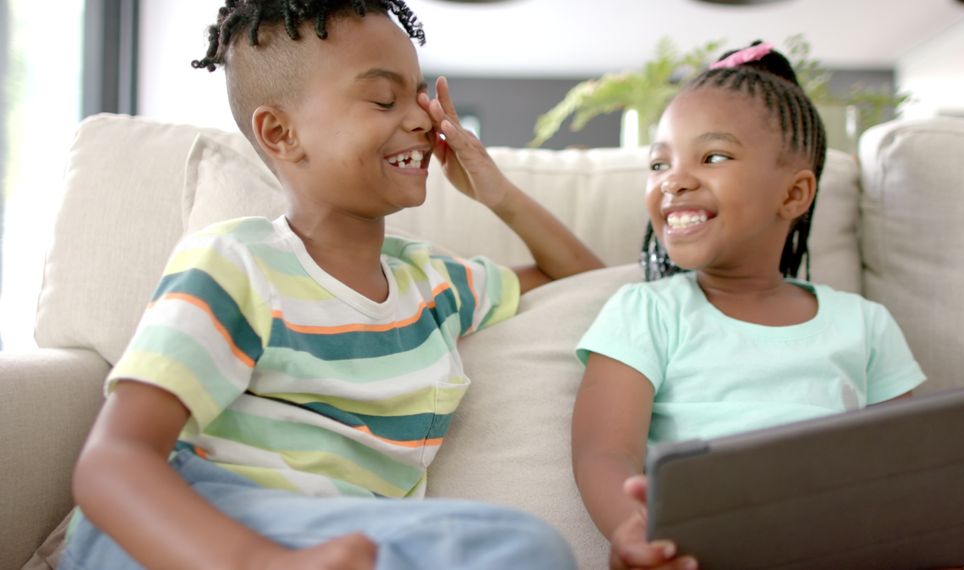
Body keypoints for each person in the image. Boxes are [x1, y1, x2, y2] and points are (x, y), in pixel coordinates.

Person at [60, 2, 602, 569]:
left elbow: (585, 282)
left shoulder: (435, 286)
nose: (423, 118)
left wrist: (499, 194)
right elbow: (113, 463)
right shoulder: (237, 263)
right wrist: (260, 562)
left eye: (420, 95)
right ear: (281, 133)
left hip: (349, 536)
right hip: (187, 523)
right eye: (383, 99)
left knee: (521, 547)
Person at [571, 42, 964, 570]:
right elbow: (603, 452)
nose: (674, 178)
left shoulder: (863, 323)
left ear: (794, 195)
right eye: (658, 162)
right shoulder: (645, 312)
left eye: (713, 156)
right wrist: (634, 530)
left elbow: (912, 478)